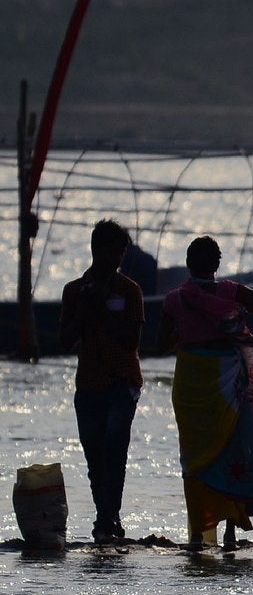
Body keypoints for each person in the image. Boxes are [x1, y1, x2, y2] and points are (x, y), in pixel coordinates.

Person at [156, 235, 253, 551]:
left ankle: (198, 535)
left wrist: (185, 331)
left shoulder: (174, 300)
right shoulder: (231, 292)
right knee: (234, 450)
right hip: (228, 382)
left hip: (190, 384)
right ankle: (231, 533)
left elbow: (160, 345)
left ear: (189, 264)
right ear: (216, 264)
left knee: (194, 459)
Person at [58, 219, 145, 545]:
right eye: (115, 251)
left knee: (114, 448)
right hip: (89, 383)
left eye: (122, 252)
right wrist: (86, 311)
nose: (119, 259)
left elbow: (131, 342)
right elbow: (64, 341)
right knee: (94, 453)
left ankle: (108, 517)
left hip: (122, 381)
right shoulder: (74, 291)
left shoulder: (129, 291)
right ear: (98, 250)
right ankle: (106, 516)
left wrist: (105, 313)